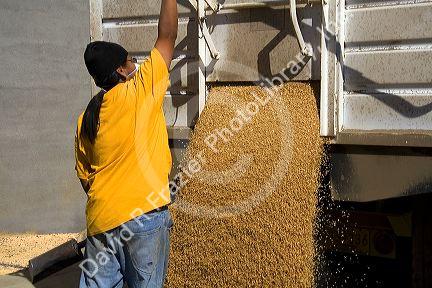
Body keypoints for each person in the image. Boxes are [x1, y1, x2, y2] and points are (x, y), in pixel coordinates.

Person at [74, 0, 178, 286]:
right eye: (131, 60)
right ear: (121, 70)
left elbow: (86, 178)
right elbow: (167, 36)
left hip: (100, 223)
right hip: (143, 219)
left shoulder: (87, 118)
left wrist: (112, 203)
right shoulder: (142, 89)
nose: (136, 64)